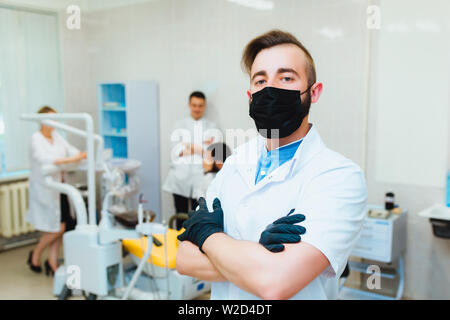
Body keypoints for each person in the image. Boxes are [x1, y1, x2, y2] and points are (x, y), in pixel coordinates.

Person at [176, 30, 368, 300]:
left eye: (286, 77)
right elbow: (184, 259)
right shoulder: (234, 163)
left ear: (314, 92)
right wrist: (260, 254)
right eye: (261, 80)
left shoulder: (339, 177)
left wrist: (206, 234)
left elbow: (274, 282)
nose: (270, 88)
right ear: (250, 95)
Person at [26, 106, 87, 276]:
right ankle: (36, 254)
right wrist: (71, 159)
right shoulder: (36, 139)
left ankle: (52, 262)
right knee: (56, 229)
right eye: (51, 118)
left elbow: (71, 150)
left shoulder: (57, 137)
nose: (55, 122)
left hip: (60, 189)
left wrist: (80, 154)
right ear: (42, 120)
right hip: (45, 189)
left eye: (56, 118)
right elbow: (44, 160)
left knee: (60, 226)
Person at [163, 91, 222, 229]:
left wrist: (189, 146)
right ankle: (178, 246)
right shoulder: (179, 126)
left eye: (200, 105)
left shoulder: (212, 127)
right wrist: (201, 148)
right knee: (180, 215)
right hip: (180, 178)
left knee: (197, 217)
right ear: (189, 105)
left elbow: (213, 153)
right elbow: (176, 151)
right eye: (194, 105)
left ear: (204, 106)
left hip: (200, 181)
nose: (197, 109)